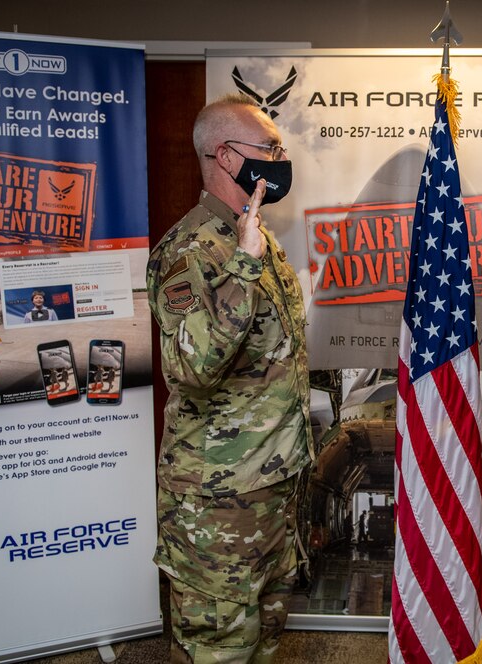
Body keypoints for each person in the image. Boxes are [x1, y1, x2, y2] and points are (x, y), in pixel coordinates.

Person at [147, 92, 313, 664]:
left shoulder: (253, 234)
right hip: (217, 499)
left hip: (271, 485)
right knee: (218, 647)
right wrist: (242, 266)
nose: (281, 158)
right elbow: (191, 368)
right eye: (270, 147)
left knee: (265, 635)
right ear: (225, 155)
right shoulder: (191, 249)